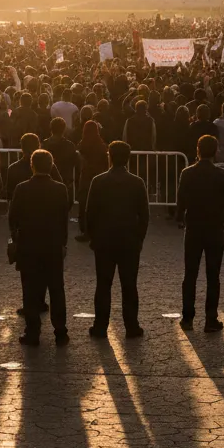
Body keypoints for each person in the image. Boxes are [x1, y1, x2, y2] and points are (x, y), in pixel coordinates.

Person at [83, 141, 149, 339]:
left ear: (109, 156)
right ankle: (131, 326)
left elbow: (90, 213)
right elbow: (144, 215)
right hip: (129, 239)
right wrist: (139, 238)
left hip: (104, 239)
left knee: (103, 284)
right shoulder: (137, 182)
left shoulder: (98, 180)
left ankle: (100, 326)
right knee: (129, 285)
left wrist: (93, 236)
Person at [9, 149, 71, 346]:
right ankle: (60, 331)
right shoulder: (61, 189)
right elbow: (63, 219)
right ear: (51, 165)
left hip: (29, 244)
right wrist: (63, 242)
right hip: (52, 245)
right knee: (56, 289)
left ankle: (33, 331)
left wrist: (16, 238)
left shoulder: (22, 188)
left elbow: (13, 218)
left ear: (32, 165)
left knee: (30, 289)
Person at [174, 134, 224, 332]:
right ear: (216, 151)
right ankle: (210, 318)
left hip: (194, 226)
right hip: (215, 226)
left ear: (197, 150)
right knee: (213, 274)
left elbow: (180, 201)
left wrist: (180, 217)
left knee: (190, 274)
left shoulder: (187, 173)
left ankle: (187, 317)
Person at [74, 119, 109, 243]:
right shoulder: (101, 145)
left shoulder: (83, 144)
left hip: (86, 177)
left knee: (84, 204)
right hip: (98, 177)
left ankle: (85, 230)